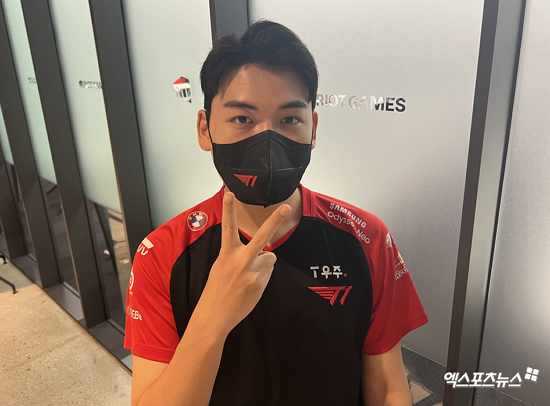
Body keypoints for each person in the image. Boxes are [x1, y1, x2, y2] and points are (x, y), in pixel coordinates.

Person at [124, 19, 428, 406]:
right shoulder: (162, 255)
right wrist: (211, 319)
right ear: (204, 129)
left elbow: (387, 389)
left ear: (312, 128)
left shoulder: (366, 239)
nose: (267, 141)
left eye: (289, 120)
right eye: (242, 119)